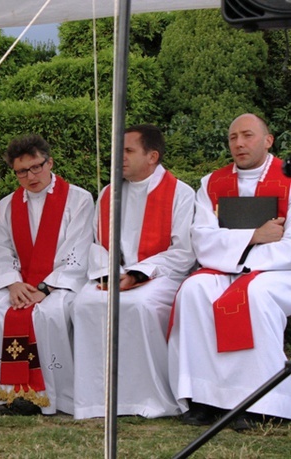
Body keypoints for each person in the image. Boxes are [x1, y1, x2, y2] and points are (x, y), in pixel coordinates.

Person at [168, 113, 291, 430]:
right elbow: (203, 237)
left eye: (247, 135)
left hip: (278, 271)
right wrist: (253, 236)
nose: (239, 143)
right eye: (233, 137)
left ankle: (265, 403)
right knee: (193, 291)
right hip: (228, 265)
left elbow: (288, 242)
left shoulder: (288, 178)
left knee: (254, 293)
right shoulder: (213, 182)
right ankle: (204, 398)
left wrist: (245, 257)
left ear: (268, 140)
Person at [72, 124, 196, 419]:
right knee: (85, 303)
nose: (120, 157)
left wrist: (139, 274)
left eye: (128, 151)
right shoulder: (108, 192)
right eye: (119, 150)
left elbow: (183, 251)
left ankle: (149, 398)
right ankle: (95, 401)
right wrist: (112, 274)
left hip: (162, 274)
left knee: (139, 305)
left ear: (152, 156)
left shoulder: (180, 193)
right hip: (114, 273)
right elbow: (98, 242)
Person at [0, 133, 94, 416]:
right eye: (22, 171)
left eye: (36, 167)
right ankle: (5, 395)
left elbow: (78, 247)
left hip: (60, 283)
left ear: (49, 162)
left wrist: (46, 288)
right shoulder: (5, 207)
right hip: (19, 284)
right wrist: (13, 284)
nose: (30, 176)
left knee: (49, 314)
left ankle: (50, 395)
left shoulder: (78, 200)